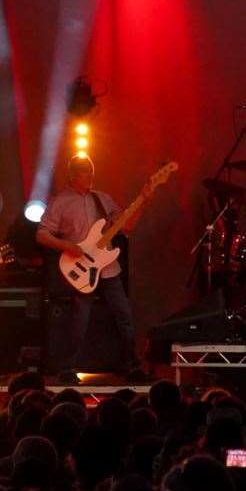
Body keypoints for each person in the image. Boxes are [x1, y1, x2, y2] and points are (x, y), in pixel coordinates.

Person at [34, 154, 144, 383]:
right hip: (81, 268)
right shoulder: (61, 201)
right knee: (79, 318)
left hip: (108, 267)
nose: (90, 175)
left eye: (91, 170)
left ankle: (132, 364)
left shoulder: (102, 199)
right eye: (85, 171)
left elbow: (127, 226)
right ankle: (68, 368)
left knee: (123, 314)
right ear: (73, 175)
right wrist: (67, 245)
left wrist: (143, 199)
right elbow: (41, 234)